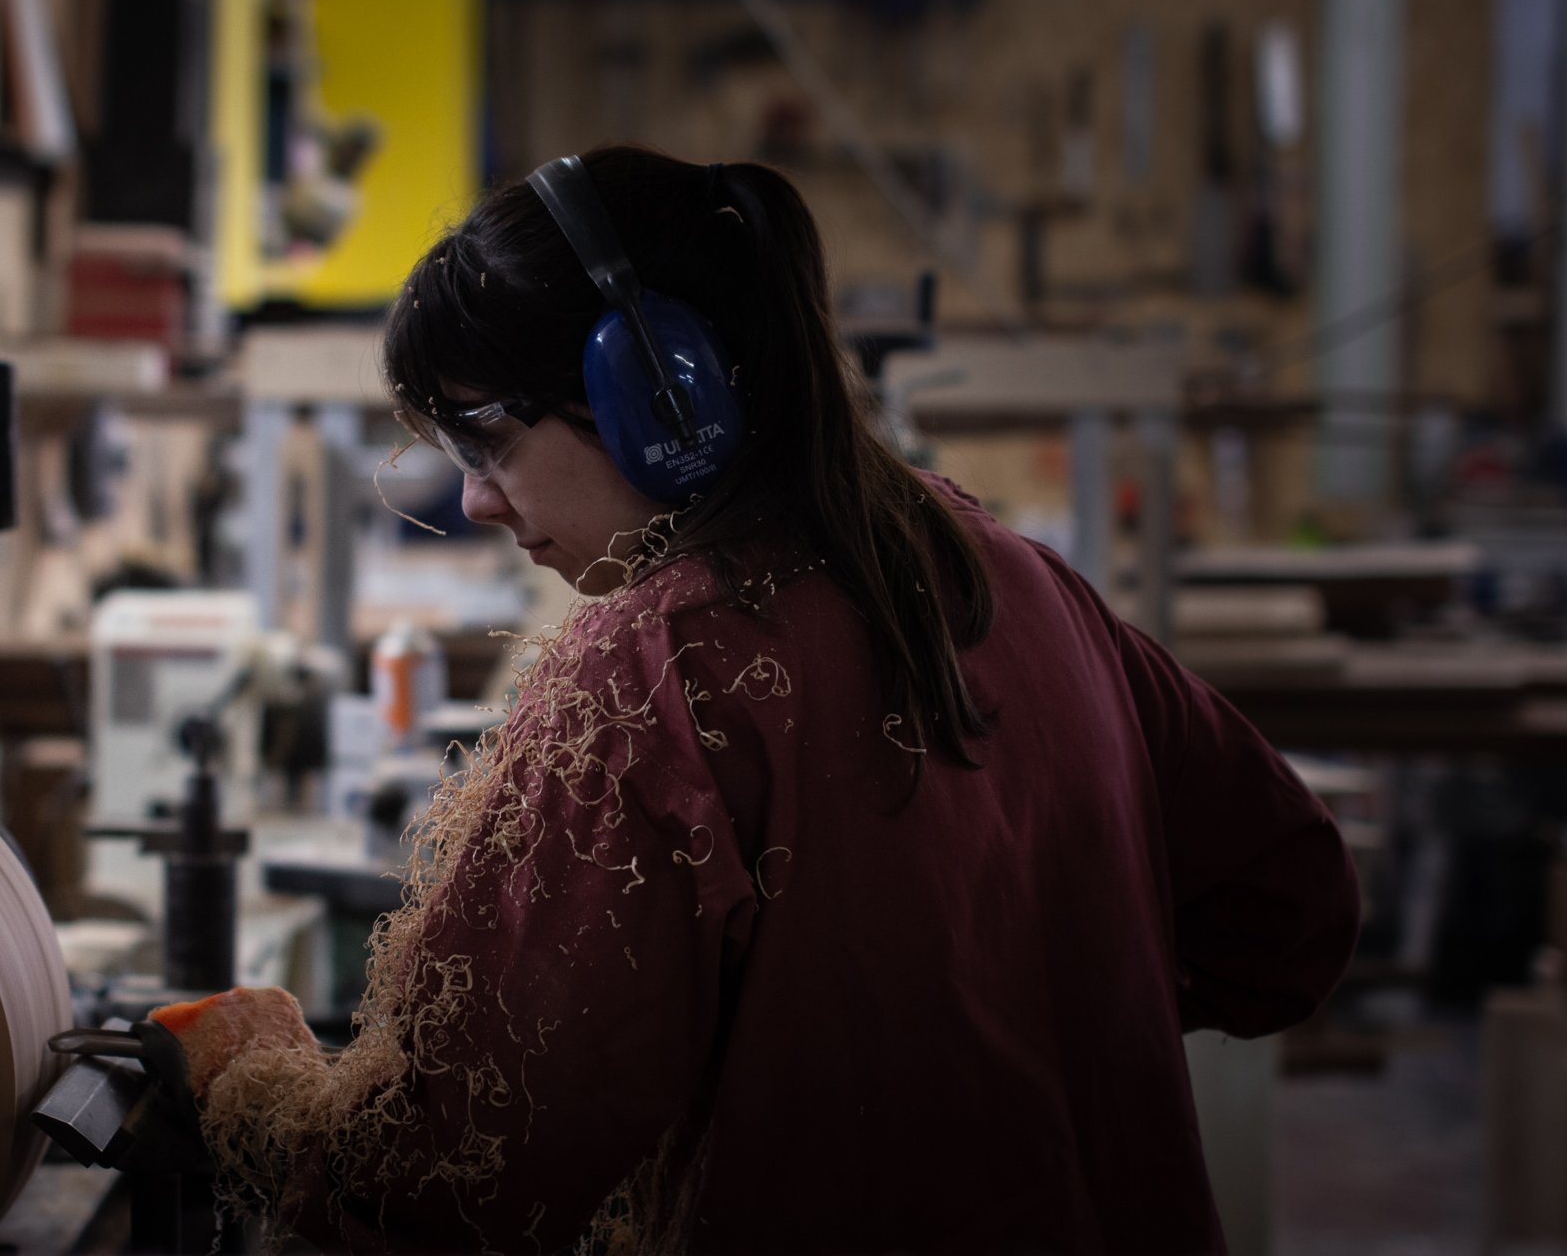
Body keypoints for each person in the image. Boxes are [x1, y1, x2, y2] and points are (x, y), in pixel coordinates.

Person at [151, 146, 1360, 1254]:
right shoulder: (1010, 570)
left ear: (655, 399)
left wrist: (246, 1074)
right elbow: (1288, 916)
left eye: (487, 440)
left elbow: (437, 1184)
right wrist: (1047, 1006)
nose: (473, 500)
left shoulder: (651, 672)